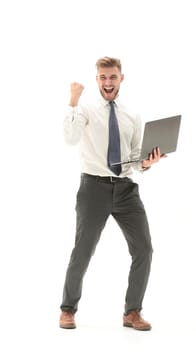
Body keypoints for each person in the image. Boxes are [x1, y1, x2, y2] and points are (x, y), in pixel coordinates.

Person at [59, 56, 166, 331]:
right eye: (103, 77)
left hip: (126, 190)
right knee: (83, 251)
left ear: (121, 78)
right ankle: (67, 309)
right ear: (97, 80)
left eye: (113, 77)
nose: (108, 82)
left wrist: (146, 162)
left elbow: (132, 157)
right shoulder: (84, 109)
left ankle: (132, 312)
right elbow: (70, 139)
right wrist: (72, 100)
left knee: (144, 249)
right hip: (93, 188)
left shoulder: (131, 114)